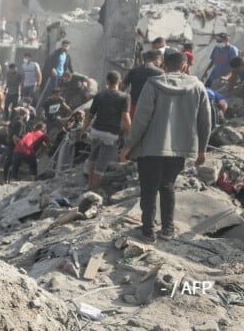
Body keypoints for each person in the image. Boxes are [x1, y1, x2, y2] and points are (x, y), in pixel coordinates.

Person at [121, 51, 211, 243]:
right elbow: (205, 121)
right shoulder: (198, 87)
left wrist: (129, 145)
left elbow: (141, 120)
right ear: (185, 66)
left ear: (164, 66)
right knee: (168, 186)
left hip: (150, 149)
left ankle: (148, 231)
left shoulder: (153, 85)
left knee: (148, 188)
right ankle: (168, 229)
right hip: (180, 150)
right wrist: (202, 150)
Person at [80, 71, 131, 192]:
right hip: (111, 135)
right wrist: (130, 133)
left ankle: (89, 185)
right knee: (102, 164)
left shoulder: (99, 95)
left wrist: (83, 130)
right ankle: (93, 190)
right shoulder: (125, 97)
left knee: (93, 157)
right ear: (119, 81)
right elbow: (125, 117)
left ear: (107, 81)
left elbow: (89, 115)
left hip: (96, 132)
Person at [121, 50, 164, 119]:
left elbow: (122, 87)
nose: (161, 63)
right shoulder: (160, 73)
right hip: (151, 109)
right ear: (157, 59)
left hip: (133, 106)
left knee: (131, 128)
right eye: (161, 60)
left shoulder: (134, 70)